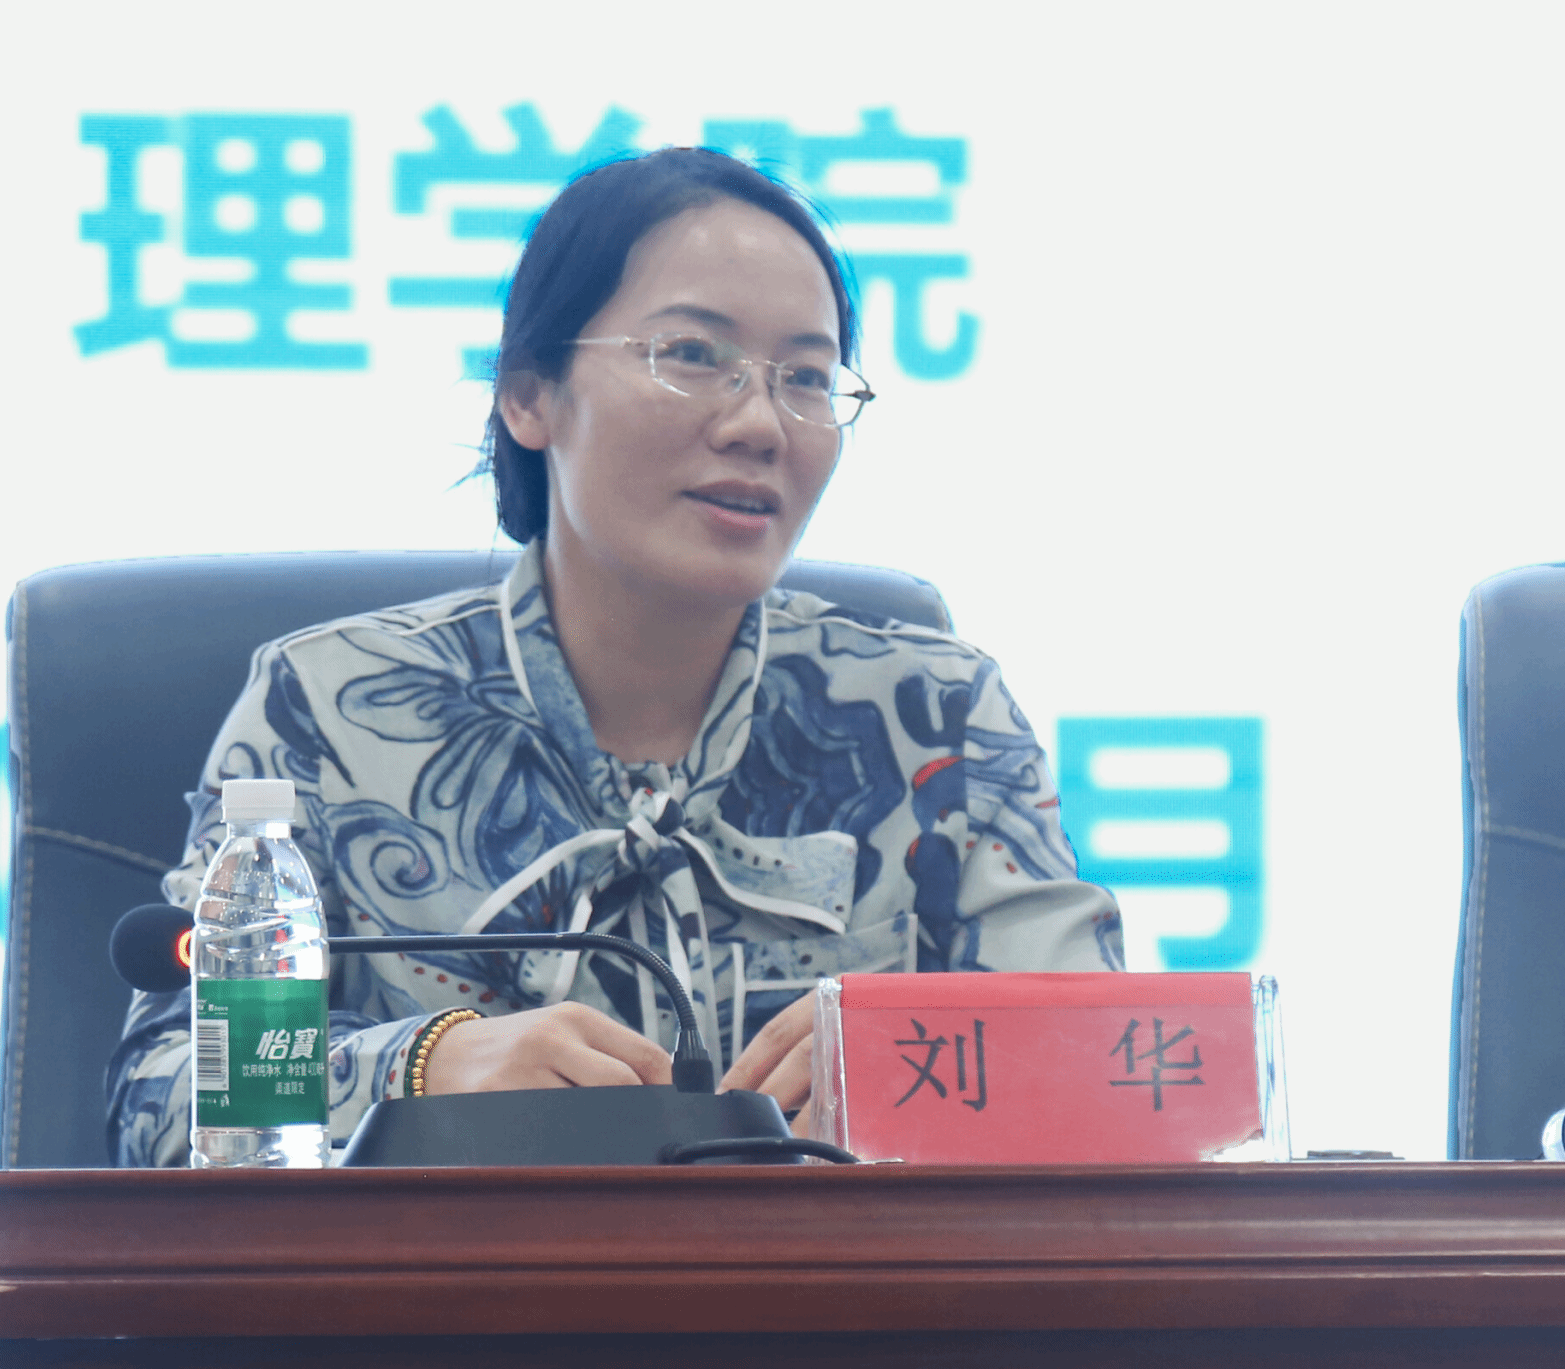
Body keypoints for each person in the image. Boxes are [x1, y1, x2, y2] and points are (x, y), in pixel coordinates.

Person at [108, 147, 1121, 1167]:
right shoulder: (326, 711)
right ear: (528, 395)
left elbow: (1118, 1076)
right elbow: (159, 1104)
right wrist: (419, 1068)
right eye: (692, 354)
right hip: (458, 1277)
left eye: (807, 378)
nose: (759, 423)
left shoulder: (936, 714)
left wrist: (914, 1063)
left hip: (841, 1276)